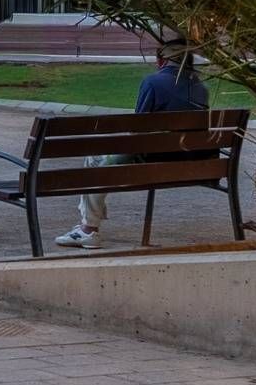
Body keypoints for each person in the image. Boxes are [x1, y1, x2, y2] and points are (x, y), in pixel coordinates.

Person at [55, 42, 208, 249]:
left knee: (95, 162)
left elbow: (138, 128)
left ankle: (89, 229)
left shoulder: (152, 82)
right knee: (96, 159)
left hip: (150, 160)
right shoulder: (201, 87)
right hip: (190, 162)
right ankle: (87, 224)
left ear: (161, 61)